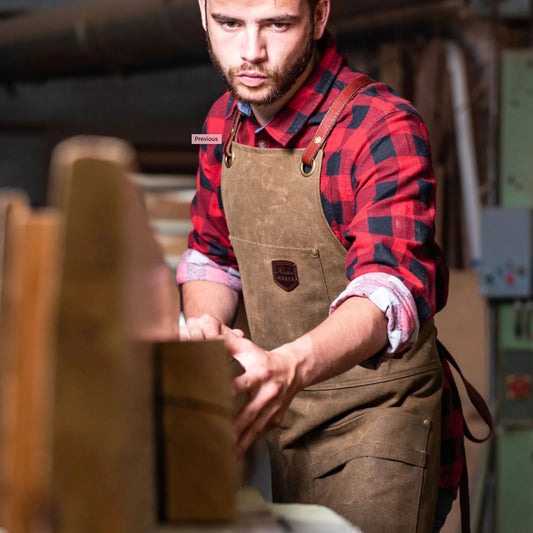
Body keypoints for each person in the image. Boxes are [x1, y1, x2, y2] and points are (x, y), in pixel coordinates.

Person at [177, 1, 465, 532]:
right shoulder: (222, 122)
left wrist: (288, 367)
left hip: (377, 424)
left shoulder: (381, 126)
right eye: (229, 24)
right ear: (203, 12)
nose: (250, 53)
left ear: (319, 15)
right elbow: (212, 256)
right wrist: (206, 331)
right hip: (280, 421)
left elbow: (388, 288)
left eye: (277, 25)